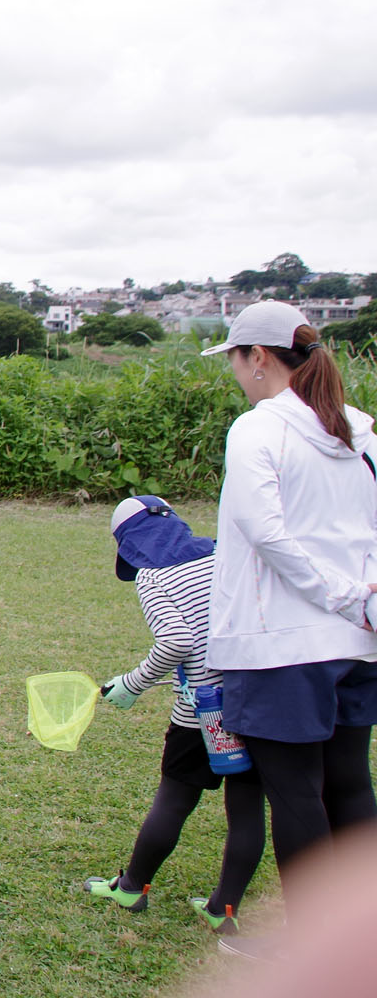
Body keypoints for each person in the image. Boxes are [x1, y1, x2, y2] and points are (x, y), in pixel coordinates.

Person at [201, 301, 377, 960]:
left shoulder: (258, 428)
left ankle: (317, 946)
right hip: (356, 638)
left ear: (261, 357)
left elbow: (264, 530)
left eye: (237, 359)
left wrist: (336, 594)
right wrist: (359, 598)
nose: (236, 373)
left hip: (282, 645)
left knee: (296, 793)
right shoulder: (358, 428)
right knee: (351, 784)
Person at [80, 496, 265, 935]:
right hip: (256, 698)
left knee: (175, 799)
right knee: (247, 807)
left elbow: (178, 642)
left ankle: (130, 888)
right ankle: (224, 909)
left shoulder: (153, 576)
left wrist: (133, 683)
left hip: (203, 713)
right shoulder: (225, 553)